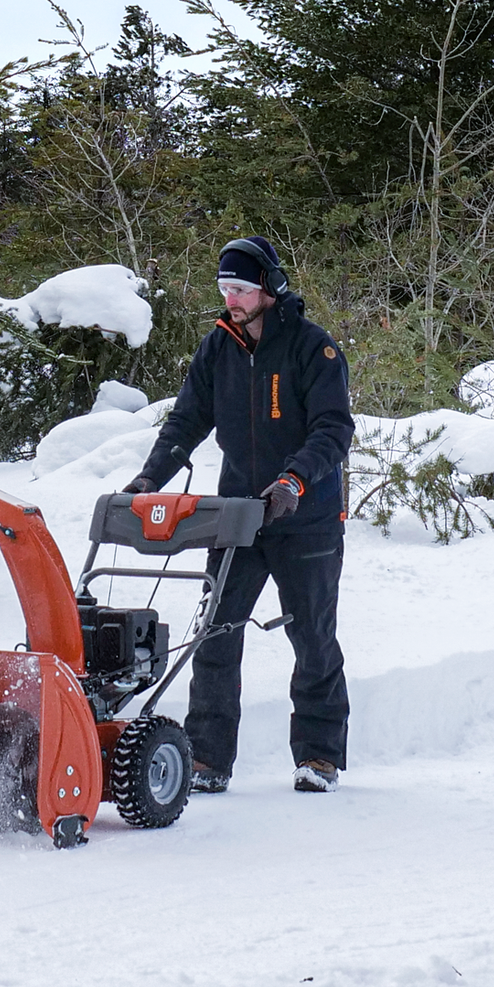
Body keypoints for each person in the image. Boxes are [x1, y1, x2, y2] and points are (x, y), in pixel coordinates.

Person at [126, 236, 356, 793]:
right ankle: (207, 758)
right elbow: (186, 421)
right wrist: (149, 478)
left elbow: (334, 429)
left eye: (243, 288)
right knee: (214, 635)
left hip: (306, 519)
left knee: (313, 637)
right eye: (226, 288)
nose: (232, 298)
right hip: (236, 516)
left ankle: (319, 756)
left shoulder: (312, 348)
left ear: (269, 289)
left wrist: (292, 480)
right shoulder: (218, 348)